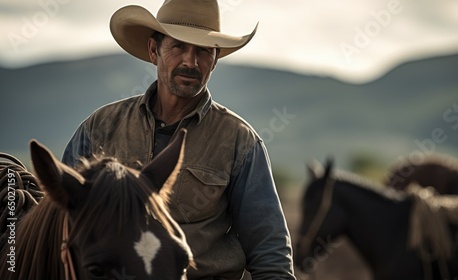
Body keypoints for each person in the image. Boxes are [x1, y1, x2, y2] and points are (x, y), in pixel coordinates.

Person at [62, 0, 296, 279]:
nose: (190, 61)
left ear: (216, 59)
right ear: (153, 50)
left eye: (203, 51)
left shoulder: (240, 141)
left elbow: (269, 250)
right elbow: (56, 221)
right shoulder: (100, 127)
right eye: (178, 47)